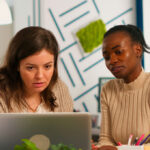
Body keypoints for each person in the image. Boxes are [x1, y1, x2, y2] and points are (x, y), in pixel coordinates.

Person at [96, 24, 150, 150]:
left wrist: (120, 149)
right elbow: (105, 138)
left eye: (118, 52)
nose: (112, 61)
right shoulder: (108, 89)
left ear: (137, 50)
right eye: (106, 57)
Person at [0, 26, 73, 113]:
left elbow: (68, 126)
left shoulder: (60, 89)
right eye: (30, 68)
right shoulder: (2, 95)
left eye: (47, 66)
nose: (40, 76)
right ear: (17, 65)